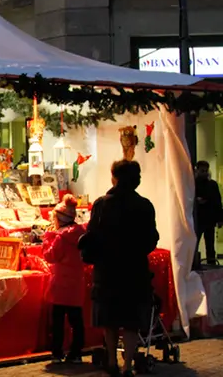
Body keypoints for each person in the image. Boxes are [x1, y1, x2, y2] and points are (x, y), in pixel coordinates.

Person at [79, 160, 159, 377]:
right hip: (134, 268)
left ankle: (112, 360)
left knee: (110, 318)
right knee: (132, 320)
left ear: (114, 177)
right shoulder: (144, 205)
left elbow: (92, 236)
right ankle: (128, 365)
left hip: (107, 269)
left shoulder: (102, 204)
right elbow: (151, 239)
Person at [43, 194, 86, 364]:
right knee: (76, 320)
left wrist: (47, 239)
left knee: (58, 320)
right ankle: (76, 351)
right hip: (76, 282)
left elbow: (50, 256)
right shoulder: (81, 234)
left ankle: (57, 351)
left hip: (60, 284)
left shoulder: (60, 238)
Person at [194, 160, 222, 267]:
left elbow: (217, 202)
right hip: (199, 219)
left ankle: (211, 263)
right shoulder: (193, 184)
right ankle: (195, 263)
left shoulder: (212, 185)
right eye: (202, 171)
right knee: (195, 242)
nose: (205, 173)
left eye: (206, 171)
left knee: (210, 244)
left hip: (208, 218)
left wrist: (219, 219)